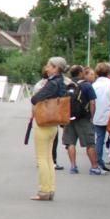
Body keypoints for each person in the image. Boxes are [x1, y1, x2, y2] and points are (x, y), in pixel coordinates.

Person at [28, 57, 71, 201]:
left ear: (55, 68)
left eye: (49, 66)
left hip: (43, 123)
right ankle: (50, 188)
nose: (46, 68)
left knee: (42, 158)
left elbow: (36, 98)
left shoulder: (52, 83)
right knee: (49, 158)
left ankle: (44, 190)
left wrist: (36, 97)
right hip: (53, 124)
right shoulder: (62, 82)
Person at [62, 65, 101, 175]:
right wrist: (91, 117)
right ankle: (94, 167)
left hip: (69, 117)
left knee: (70, 143)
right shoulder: (86, 85)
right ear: (80, 73)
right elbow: (92, 102)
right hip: (84, 117)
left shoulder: (66, 84)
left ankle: (73, 166)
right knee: (90, 144)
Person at [91, 63, 110, 173]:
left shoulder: (94, 85)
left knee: (100, 138)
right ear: (109, 72)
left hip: (98, 114)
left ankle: (99, 161)